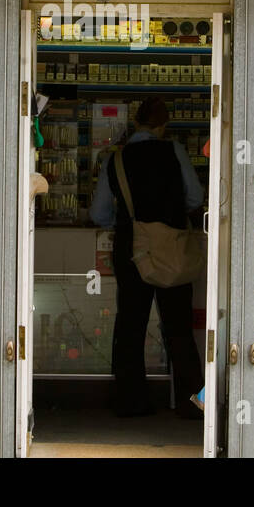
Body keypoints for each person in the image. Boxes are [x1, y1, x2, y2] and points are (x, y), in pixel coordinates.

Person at [89, 97, 205, 418]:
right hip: (172, 248)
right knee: (179, 329)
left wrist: (126, 223)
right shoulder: (175, 151)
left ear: (136, 123)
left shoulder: (117, 159)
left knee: (130, 326)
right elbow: (196, 196)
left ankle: (130, 402)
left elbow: (99, 213)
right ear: (163, 125)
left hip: (132, 251)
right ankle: (193, 403)